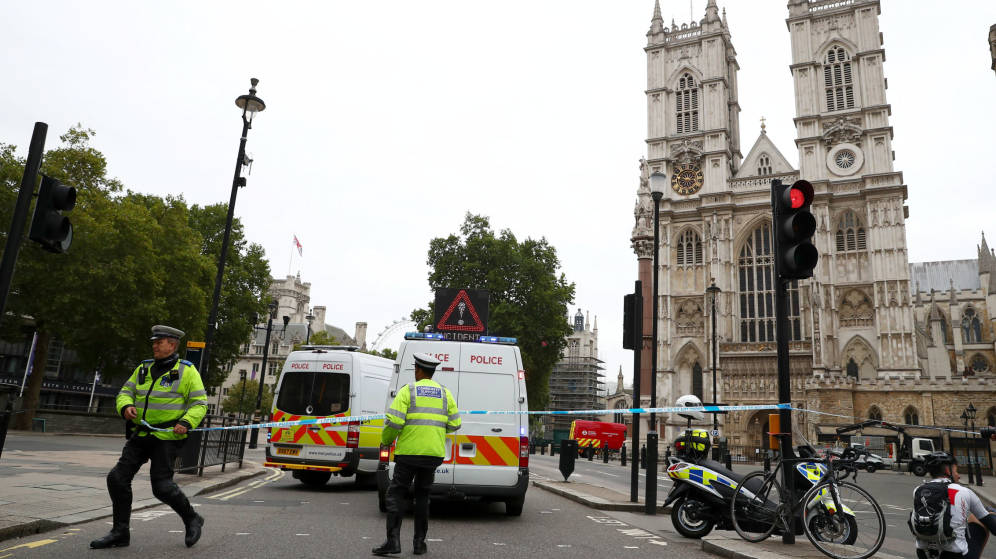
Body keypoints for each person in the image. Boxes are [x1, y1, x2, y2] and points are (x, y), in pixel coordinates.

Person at [90, 325, 208, 549]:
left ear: (172, 345)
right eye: (154, 342)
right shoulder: (143, 368)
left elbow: (200, 403)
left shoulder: (187, 371)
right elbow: (125, 392)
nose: (154, 345)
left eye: (159, 342)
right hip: (140, 433)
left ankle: (192, 518)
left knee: (162, 487)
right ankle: (120, 533)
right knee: (117, 478)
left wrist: (186, 422)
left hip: (166, 437)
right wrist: (126, 407)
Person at [373, 353, 461, 556]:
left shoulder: (408, 391)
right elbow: (455, 424)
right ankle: (419, 544)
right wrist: (435, 432)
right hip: (432, 455)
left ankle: (393, 542)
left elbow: (394, 422)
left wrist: (386, 440)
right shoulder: (445, 393)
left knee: (396, 494)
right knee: (423, 496)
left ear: (419, 370)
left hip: (408, 453)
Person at [912, 451, 996, 559]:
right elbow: (993, 527)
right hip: (955, 556)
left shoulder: (918, 490)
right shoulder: (963, 491)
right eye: (956, 471)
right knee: (979, 516)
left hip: (925, 555)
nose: (959, 476)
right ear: (948, 470)